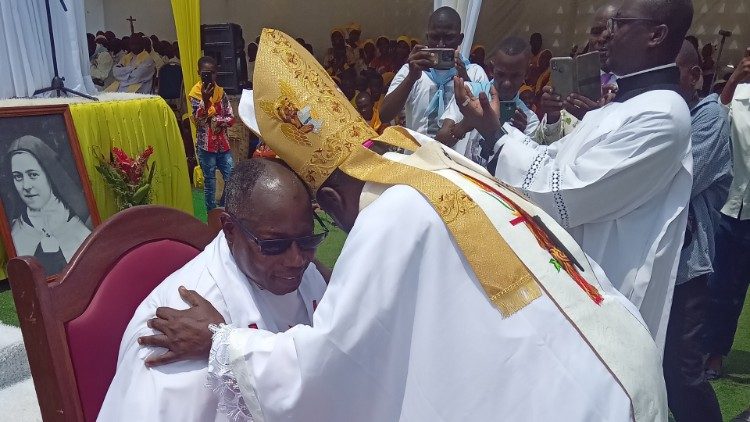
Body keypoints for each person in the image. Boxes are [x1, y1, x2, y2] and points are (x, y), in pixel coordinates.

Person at [138, 27, 668, 422]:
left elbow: (332, 371)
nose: (302, 255)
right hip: (620, 356)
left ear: (326, 198)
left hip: (588, 401)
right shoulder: (423, 156)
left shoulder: (389, 218)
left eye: (311, 230)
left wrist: (220, 342)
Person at [451, 0, 695, 352]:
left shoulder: (663, 115)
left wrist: (495, 135)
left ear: (656, 35)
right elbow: (550, 159)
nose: (605, 36)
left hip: (605, 293)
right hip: (570, 278)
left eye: (620, 24)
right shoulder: (621, 106)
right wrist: (492, 127)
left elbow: (565, 195)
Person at [98, 158, 328, 421]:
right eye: (274, 245)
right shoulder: (182, 322)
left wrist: (223, 344)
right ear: (230, 229)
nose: (296, 260)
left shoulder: (307, 272)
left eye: (308, 240)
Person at [661, 40, 729, 422]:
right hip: (656, 260)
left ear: (694, 75)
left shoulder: (710, 117)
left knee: (682, 374)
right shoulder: (662, 113)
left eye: (672, 77)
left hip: (687, 270)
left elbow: (677, 179)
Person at [703, 48, 750, 387]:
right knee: (721, 287)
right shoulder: (739, 96)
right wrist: (733, 81)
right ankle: (713, 352)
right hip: (729, 208)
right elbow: (711, 120)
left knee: (737, 290)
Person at [380, 7, 489, 138]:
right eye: (435, 37)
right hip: (417, 156)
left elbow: (486, 120)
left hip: (457, 158)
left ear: (460, 39)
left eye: (449, 38)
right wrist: (411, 78)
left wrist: (466, 80)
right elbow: (385, 115)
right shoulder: (412, 70)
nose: (440, 44)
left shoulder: (475, 73)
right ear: (427, 37)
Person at [437, 36, 540, 163]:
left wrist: (518, 137)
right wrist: (466, 123)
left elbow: (523, 169)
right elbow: (440, 141)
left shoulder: (529, 120)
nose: (507, 83)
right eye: (501, 74)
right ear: (491, 69)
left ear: (527, 73)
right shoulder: (469, 93)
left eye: (515, 76)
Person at [0, 136, 92, 275]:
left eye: (33, 175)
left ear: (49, 174)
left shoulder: (83, 225)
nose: (26, 186)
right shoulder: (15, 231)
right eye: (18, 176)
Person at [533, 2, 619, 145]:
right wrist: (552, 116)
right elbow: (546, 145)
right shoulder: (571, 78)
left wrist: (595, 117)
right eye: (596, 32)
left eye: (611, 33)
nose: (602, 38)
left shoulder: (634, 88)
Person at [190, 56, 235, 211]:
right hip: (206, 146)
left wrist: (216, 120)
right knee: (210, 183)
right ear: (198, 73)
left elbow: (231, 118)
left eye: (213, 73)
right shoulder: (195, 94)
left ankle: (223, 207)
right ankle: (211, 214)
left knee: (231, 178)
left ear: (217, 73)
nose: (210, 76)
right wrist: (204, 100)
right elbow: (198, 121)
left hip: (223, 144)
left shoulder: (221, 93)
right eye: (205, 73)